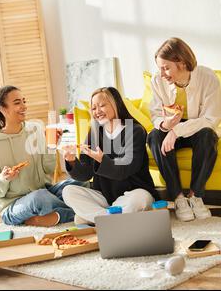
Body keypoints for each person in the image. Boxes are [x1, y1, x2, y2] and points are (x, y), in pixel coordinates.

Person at [0, 85, 87, 227]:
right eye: (17, 103)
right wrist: (4, 178)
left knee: (80, 183)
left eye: (24, 101)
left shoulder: (35, 129)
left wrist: (51, 146)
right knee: (40, 198)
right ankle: (83, 212)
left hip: (43, 191)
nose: (24, 106)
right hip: (14, 205)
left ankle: (52, 216)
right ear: (3, 109)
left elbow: (48, 168)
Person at [147, 37, 221, 222]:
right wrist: (167, 125)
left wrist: (176, 131)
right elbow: (156, 114)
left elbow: (211, 118)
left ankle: (195, 196)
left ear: (181, 63)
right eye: (160, 68)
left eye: (166, 68)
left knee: (207, 136)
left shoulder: (207, 77)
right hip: (170, 127)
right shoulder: (157, 80)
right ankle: (178, 199)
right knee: (154, 137)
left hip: (198, 127)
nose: (162, 73)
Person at [62, 87, 159, 225]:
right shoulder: (94, 133)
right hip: (105, 198)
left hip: (133, 194)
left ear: (116, 105)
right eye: (94, 108)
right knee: (69, 191)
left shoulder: (135, 131)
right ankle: (111, 217)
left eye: (102, 105)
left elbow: (124, 170)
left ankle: (97, 218)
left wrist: (102, 160)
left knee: (140, 200)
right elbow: (85, 174)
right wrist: (71, 161)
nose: (97, 111)